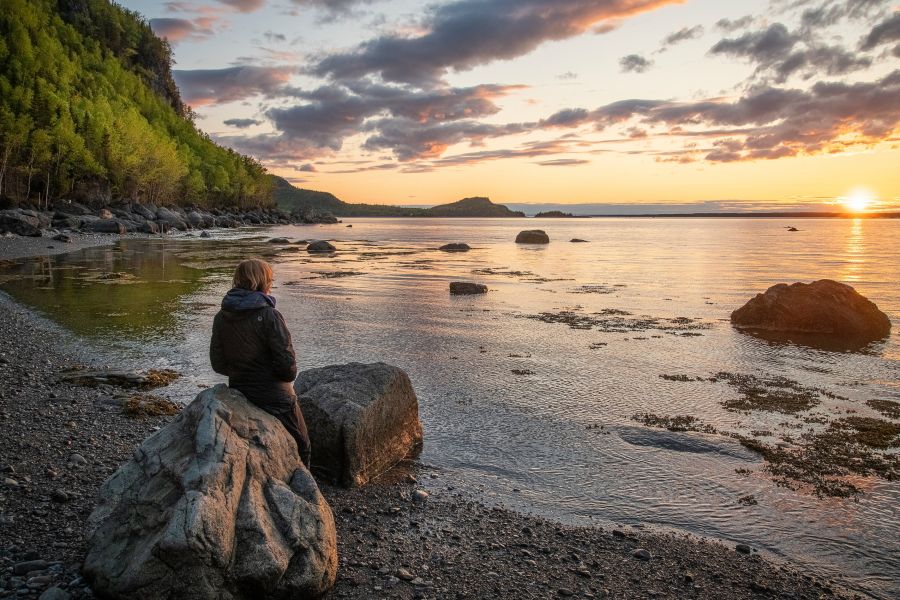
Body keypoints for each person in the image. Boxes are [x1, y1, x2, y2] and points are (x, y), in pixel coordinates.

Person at [209, 258, 311, 467]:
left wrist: (242, 373)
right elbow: (287, 368)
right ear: (263, 281)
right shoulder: (269, 315)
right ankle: (304, 489)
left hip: (239, 391)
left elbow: (218, 363)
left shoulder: (221, 316)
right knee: (302, 445)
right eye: (270, 279)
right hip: (275, 397)